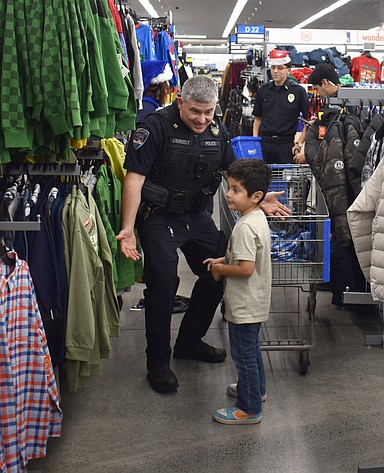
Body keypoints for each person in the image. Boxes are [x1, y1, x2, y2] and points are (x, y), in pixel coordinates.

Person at [117, 75, 290, 394]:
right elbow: (134, 180)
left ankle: (189, 341)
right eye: (195, 111)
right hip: (158, 216)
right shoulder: (153, 127)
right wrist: (128, 228)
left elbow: (232, 172)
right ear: (180, 102)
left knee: (220, 270)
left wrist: (258, 196)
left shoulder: (217, 130)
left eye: (208, 112)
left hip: (196, 215)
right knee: (163, 282)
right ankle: (157, 362)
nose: (201, 119)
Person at [204, 159, 272, 424]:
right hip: (256, 300)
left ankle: (249, 408)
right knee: (251, 350)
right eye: (228, 188)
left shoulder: (244, 227)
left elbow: (244, 269)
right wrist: (223, 260)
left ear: (256, 196)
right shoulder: (256, 217)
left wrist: (220, 271)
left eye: (235, 190)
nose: (228, 194)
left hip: (244, 304)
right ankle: (256, 390)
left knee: (243, 356)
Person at [252, 49, 309, 164]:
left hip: (286, 146)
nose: (275, 71)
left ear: (288, 70)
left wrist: (299, 143)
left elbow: (308, 122)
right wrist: (255, 141)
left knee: (288, 179)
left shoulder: (298, 91)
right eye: (273, 68)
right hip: (264, 144)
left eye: (280, 68)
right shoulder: (263, 91)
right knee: (262, 178)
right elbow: (257, 118)